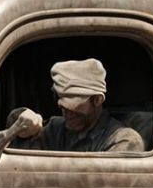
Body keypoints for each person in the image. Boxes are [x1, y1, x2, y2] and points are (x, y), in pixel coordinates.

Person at [11, 59, 144, 154]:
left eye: (73, 103)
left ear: (97, 100)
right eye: (61, 102)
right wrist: (21, 122)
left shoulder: (123, 140)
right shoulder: (56, 129)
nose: (66, 111)